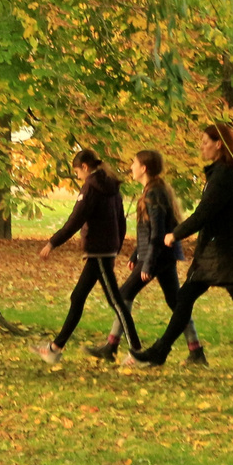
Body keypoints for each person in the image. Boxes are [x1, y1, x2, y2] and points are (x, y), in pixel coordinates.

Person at [130, 124, 233, 377]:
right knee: (185, 298)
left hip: (224, 253)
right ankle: (160, 352)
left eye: (205, 141)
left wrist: (175, 234)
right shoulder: (219, 173)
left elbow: (204, 214)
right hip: (213, 251)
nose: (202, 146)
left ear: (218, 144)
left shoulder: (225, 175)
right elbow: (206, 215)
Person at [86, 150, 206, 365]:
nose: (131, 167)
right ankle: (196, 351)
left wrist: (147, 263)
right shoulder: (154, 190)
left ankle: (114, 346)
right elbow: (150, 229)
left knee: (123, 295)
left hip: (158, 255)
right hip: (160, 254)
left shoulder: (153, 193)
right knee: (176, 302)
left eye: (134, 163)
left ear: (144, 168)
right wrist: (136, 253)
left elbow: (157, 233)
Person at [35, 149, 141, 365]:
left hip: (99, 251)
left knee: (116, 302)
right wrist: (117, 246)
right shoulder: (112, 186)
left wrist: (52, 242)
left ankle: (138, 352)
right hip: (104, 251)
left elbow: (76, 219)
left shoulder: (91, 187)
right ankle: (55, 348)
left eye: (77, 172)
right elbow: (121, 221)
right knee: (78, 297)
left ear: (85, 166)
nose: (77, 177)